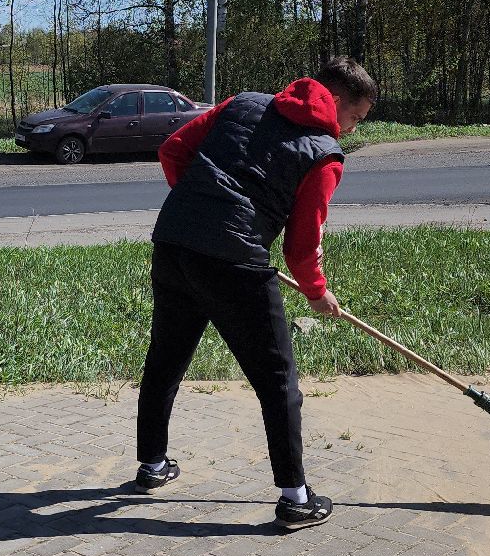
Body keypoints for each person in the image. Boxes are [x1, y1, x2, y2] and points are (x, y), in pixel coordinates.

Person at [132, 57, 377, 529]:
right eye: (356, 117)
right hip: (233, 262)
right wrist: (317, 292)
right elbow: (303, 244)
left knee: (165, 358)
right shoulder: (324, 153)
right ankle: (295, 498)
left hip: (174, 244)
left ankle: (153, 466)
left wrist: (202, 215)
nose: (349, 128)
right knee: (278, 379)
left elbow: (173, 150)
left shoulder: (244, 104)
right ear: (340, 101)